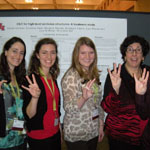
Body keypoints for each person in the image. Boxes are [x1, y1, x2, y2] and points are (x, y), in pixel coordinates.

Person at [101, 35, 150, 150]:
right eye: (130, 50)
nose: (134, 54)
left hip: (145, 136)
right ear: (124, 55)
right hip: (120, 137)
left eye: (138, 50)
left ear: (143, 56)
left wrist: (141, 95)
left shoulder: (148, 73)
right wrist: (116, 90)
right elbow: (108, 108)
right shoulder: (115, 74)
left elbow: (145, 113)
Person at [61, 37, 104, 150]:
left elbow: (98, 104)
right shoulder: (71, 76)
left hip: (92, 132)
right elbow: (68, 108)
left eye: (91, 53)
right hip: (77, 134)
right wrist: (83, 98)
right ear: (77, 55)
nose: (88, 57)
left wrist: (100, 125)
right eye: (83, 53)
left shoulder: (93, 74)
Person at [22, 38, 61, 150]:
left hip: (55, 133)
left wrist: (59, 129)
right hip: (39, 137)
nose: (49, 57)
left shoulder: (53, 78)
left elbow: (55, 108)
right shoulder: (31, 80)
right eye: (44, 53)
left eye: (52, 52)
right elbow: (29, 115)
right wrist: (35, 98)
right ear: (37, 55)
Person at [0, 37, 27, 150]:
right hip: (3, 140)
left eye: (21, 53)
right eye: (14, 51)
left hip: (20, 137)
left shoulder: (21, 78)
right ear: (6, 52)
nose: (18, 56)